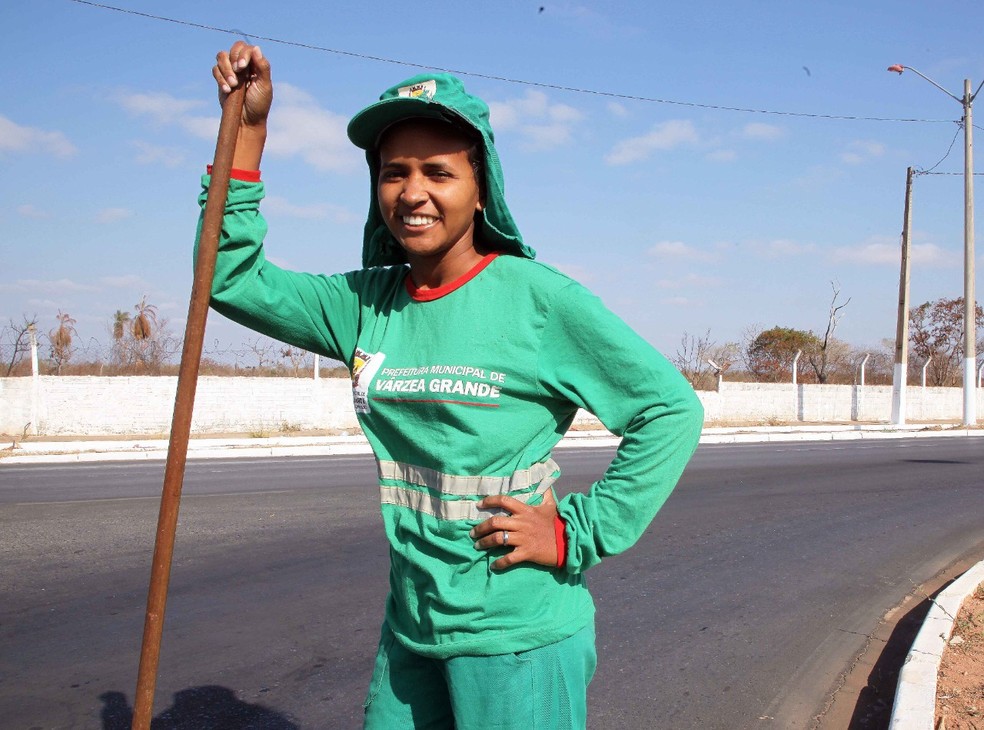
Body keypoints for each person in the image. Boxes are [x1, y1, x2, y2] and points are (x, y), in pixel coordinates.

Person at [203, 42, 704, 729]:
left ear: (480, 185)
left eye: (438, 171)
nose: (412, 193)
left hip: (516, 638)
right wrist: (250, 131)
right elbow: (231, 281)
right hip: (413, 629)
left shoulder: (538, 300)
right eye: (393, 173)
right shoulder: (363, 304)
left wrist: (575, 532)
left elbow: (669, 409)